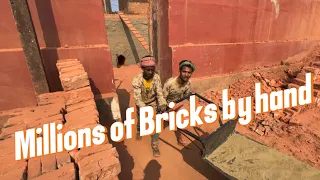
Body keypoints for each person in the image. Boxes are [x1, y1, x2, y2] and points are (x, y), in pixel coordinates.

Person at [132, 55, 167, 157]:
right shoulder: (136, 80)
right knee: (141, 120)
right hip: (141, 104)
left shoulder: (156, 77)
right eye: (148, 70)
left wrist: (162, 103)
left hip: (153, 103)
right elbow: (137, 98)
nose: (150, 72)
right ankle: (139, 130)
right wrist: (145, 110)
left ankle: (155, 146)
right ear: (142, 69)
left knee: (155, 125)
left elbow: (159, 92)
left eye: (152, 70)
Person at [163, 60, 196, 147]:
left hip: (178, 104)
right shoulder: (170, 83)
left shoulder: (188, 84)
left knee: (184, 119)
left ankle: (181, 140)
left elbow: (186, 96)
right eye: (184, 71)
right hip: (167, 105)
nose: (186, 74)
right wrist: (166, 109)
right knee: (160, 122)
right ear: (180, 71)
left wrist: (192, 99)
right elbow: (162, 98)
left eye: (189, 72)